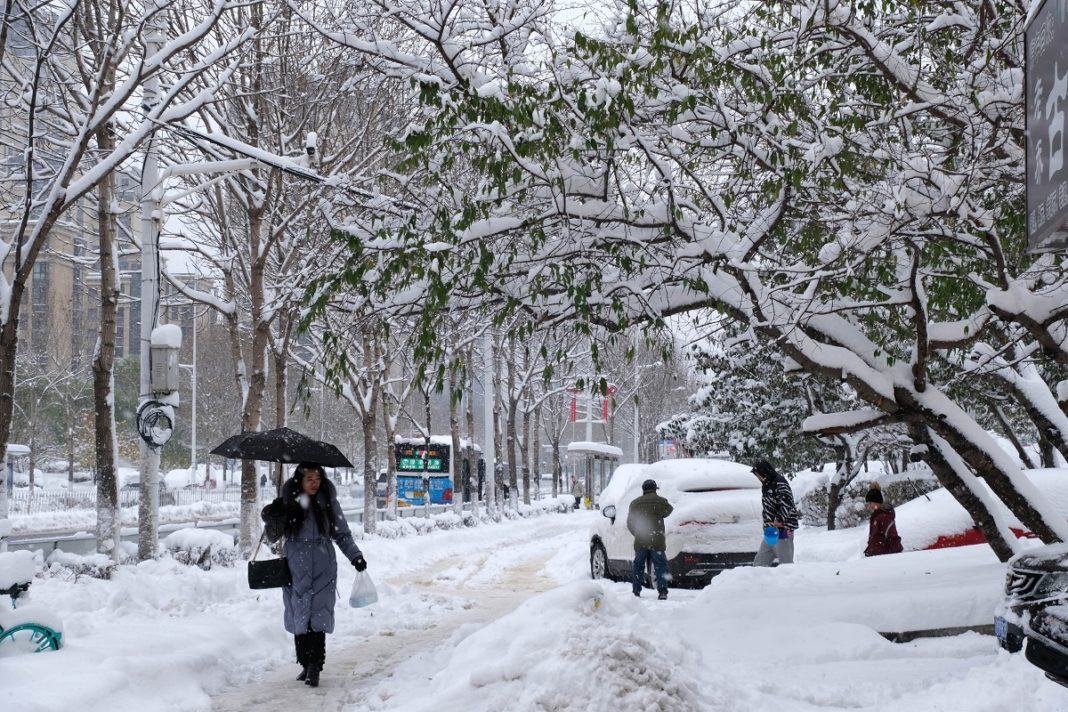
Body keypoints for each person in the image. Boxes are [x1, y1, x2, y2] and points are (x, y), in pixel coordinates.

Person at [261, 462, 366, 688]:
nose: (314, 483)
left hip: (323, 566)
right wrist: (273, 514)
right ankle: (305, 662)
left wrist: (355, 556)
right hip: (294, 566)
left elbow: (342, 534)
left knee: (318, 617)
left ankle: (315, 666)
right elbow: (271, 537)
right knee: (300, 616)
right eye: (309, 478)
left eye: (317, 478)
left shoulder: (328, 502)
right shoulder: (289, 502)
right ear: (299, 480)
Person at [626, 478, 674, 600]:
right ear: (654, 489)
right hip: (656, 541)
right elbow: (669, 511)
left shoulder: (635, 503)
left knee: (638, 565)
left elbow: (630, 522)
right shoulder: (661, 501)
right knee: (660, 565)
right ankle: (662, 591)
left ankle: (636, 591)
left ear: (643, 490)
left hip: (641, 539)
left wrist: (637, 533)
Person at [751, 460, 799, 566]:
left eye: (758, 475)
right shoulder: (766, 484)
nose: (758, 478)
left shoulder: (780, 483)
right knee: (759, 563)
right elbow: (768, 507)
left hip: (783, 529)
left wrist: (779, 520)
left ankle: (791, 582)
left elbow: (787, 504)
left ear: (764, 472)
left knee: (786, 564)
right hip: (771, 530)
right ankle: (757, 581)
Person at [863, 482, 903, 556]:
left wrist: (895, 558)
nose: (869, 506)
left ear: (877, 502)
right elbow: (875, 538)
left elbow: (893, 539)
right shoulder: (876, 517)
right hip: (877, 557)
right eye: (868, 503)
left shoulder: (884, 517)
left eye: (870, 503)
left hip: (883, 559)